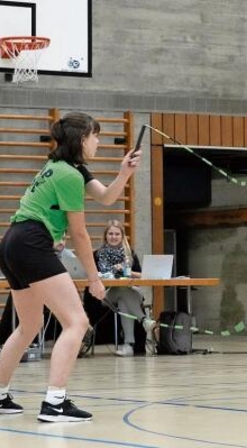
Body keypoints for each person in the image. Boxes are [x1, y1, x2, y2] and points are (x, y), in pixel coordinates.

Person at [0, 112, 141, 421]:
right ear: (81, 140)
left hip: (12, 242)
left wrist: (124, 174)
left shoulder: (66, 168)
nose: (99, 141)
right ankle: (55, 403)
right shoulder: (69, 176)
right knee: (77, 322)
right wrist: (94, 279)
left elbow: (106, 197)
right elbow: (79, 233)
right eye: (95, 136)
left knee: (29, 326)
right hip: (33, 242)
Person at [93, 220, 155, 356]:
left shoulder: (130, 254)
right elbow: (93, 277)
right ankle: (144, 320)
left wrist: (128, 272)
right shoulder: (97, 254)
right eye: (110, 234)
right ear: (105, 236)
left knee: (124, 298)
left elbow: (142, 275)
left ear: (122, 236)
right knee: (121, 290)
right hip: (107, 294)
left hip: (131, 292)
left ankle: (128, 346)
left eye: (117, 234)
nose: (113, 237)